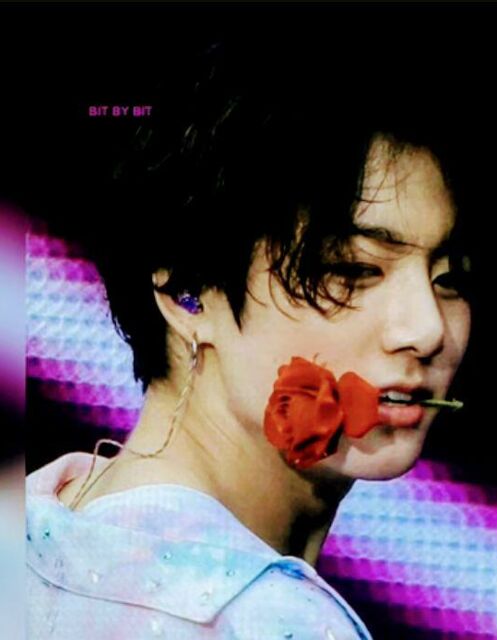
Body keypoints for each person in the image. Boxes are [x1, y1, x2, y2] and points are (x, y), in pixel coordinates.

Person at [26, 35, 473, 639]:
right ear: (188, 290)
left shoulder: (32, 530)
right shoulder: (272, 621)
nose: (428, 328)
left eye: (451, 278)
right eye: (353, 270)